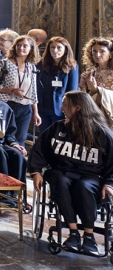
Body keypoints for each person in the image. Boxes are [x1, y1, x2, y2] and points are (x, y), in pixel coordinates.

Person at [30, 91, 113, 257]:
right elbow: (38, 150)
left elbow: (112, 162)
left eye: (65, 105)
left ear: (78, 108)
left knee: (84, 186)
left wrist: (109, 182)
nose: (61, 108)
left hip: (90, 176)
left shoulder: (102, 134)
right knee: (59, 181)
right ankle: (73, 233)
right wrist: (36, 171)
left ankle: (89, 237)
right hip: (61, 171)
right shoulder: (57, 128)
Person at [0, 34, 41, 147]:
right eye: (18, 45)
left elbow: (33, 91)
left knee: (20, 140)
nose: (21, 48)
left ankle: (18, 163)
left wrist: (36, 112)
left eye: (25, 46)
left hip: (24, 108)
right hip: (6, 105)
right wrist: (11, 90)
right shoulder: (3, 64)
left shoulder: (31, 67)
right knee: (3, 138)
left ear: (31, 49)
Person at [38, 36, 79, 132]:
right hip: (43, 107)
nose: (55, 50)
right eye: (52, 47)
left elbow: (72, 90)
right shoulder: (41, 64)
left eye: (59, 47)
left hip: (61, 109)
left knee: (58, 135)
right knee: (45, 135)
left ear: (65, 50)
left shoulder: (72, 67)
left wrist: (69, 110)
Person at [79, 37, 113, 123]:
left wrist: (96, 89)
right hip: (93, 114)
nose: (97, 55)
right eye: (94, 51)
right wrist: (82, 83)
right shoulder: (91, 72)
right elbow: (83, 96)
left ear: (111, 54)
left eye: (102, 51)